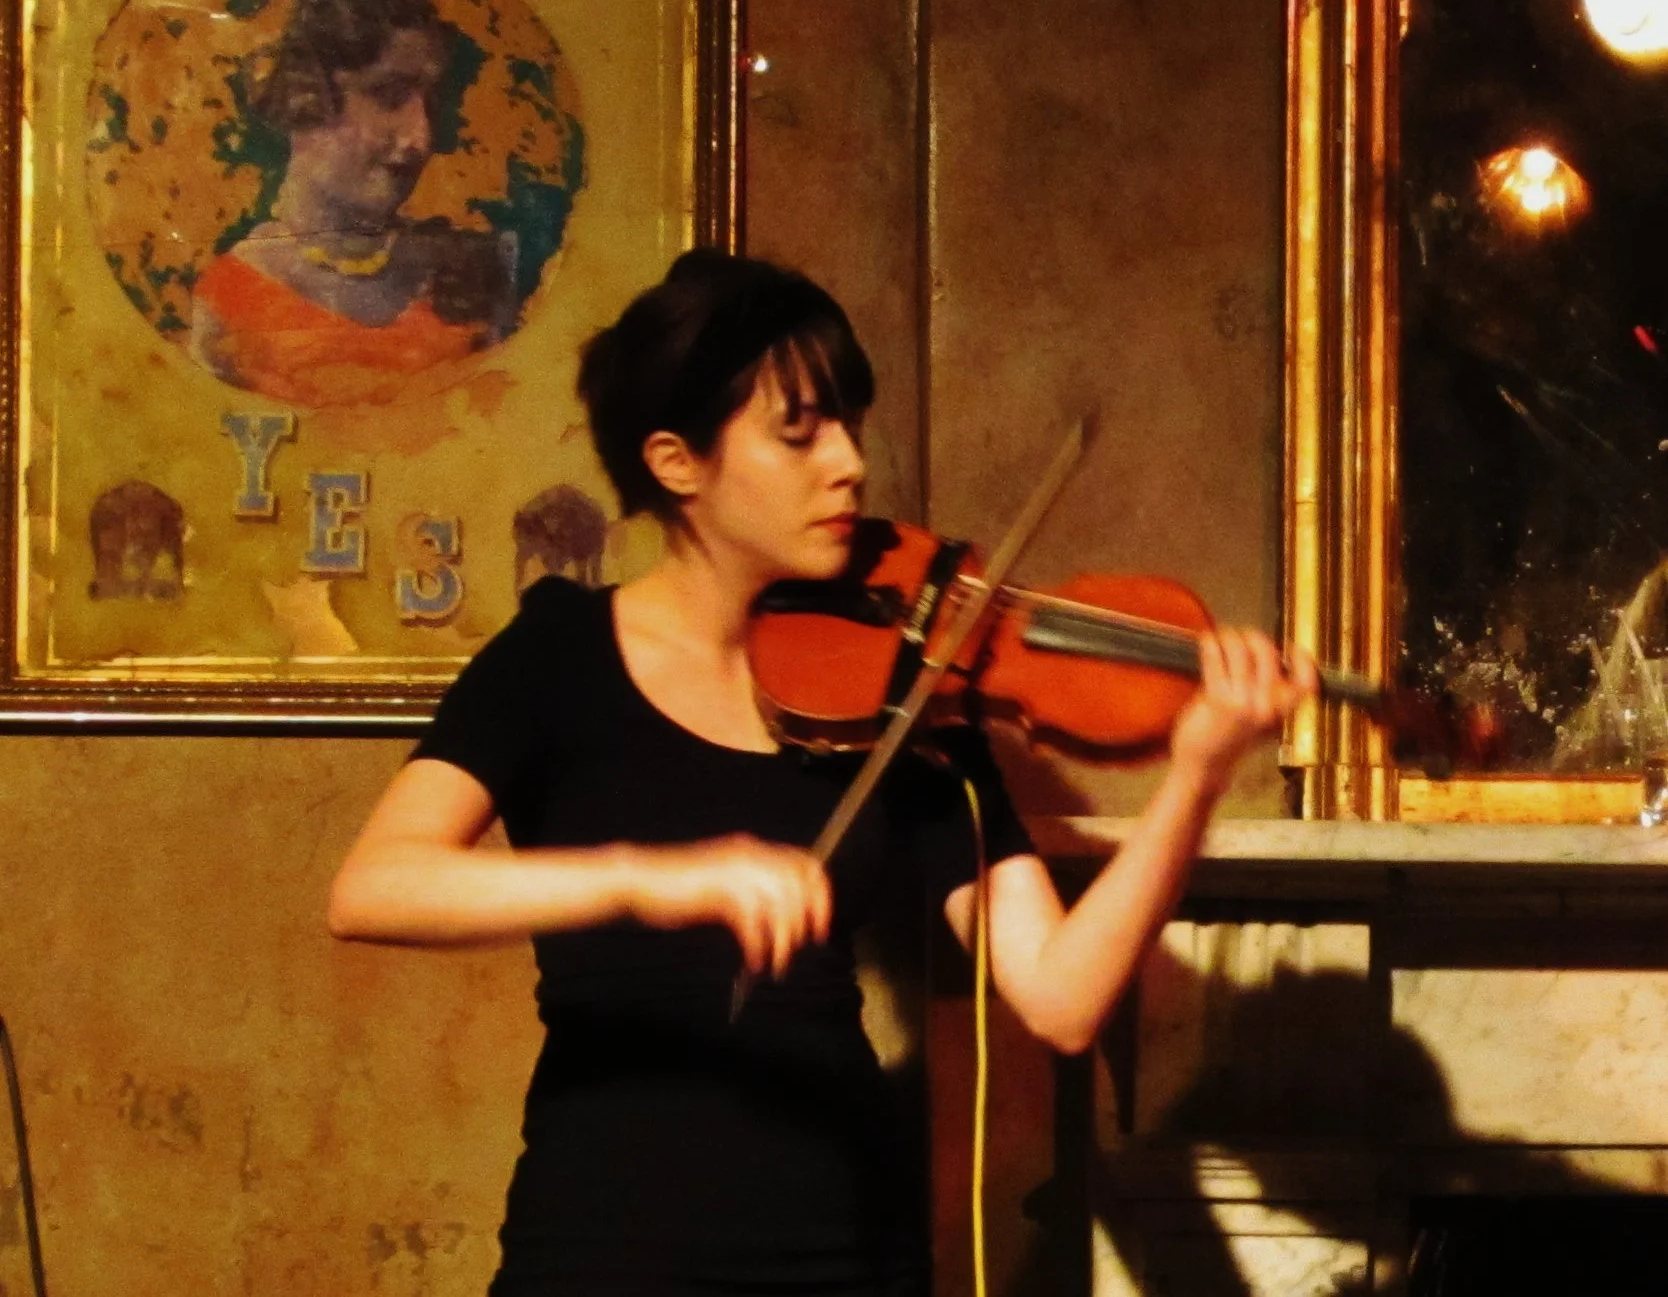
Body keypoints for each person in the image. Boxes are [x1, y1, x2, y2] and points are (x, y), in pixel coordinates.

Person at [327, 249, 1316, 1297]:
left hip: (846, 1254)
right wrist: (655, 877)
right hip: (605, 1249)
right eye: (799, 432)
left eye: (848, 422)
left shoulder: (909, 679)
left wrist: (1195, 777)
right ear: (676, 462)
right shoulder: (560, 655)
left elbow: (1062, 996)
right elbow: (375, 887)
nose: (848, 461)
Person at [190, 0, 516, 407]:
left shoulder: (473, 274)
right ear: (303, 97)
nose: (420, 139)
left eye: (431, 101)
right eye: (387, 94)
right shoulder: (229, 300)